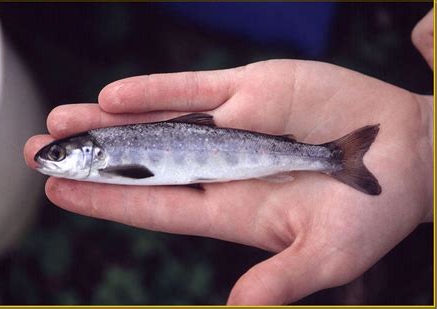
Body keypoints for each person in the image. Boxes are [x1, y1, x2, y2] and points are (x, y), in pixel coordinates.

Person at [24, 9, 433, 305]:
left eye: (58, 154)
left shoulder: (107, 161)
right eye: (57, 154)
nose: (51, 159)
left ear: (88, 153)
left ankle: (331, 158)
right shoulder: (103, 159)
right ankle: (330, 158)